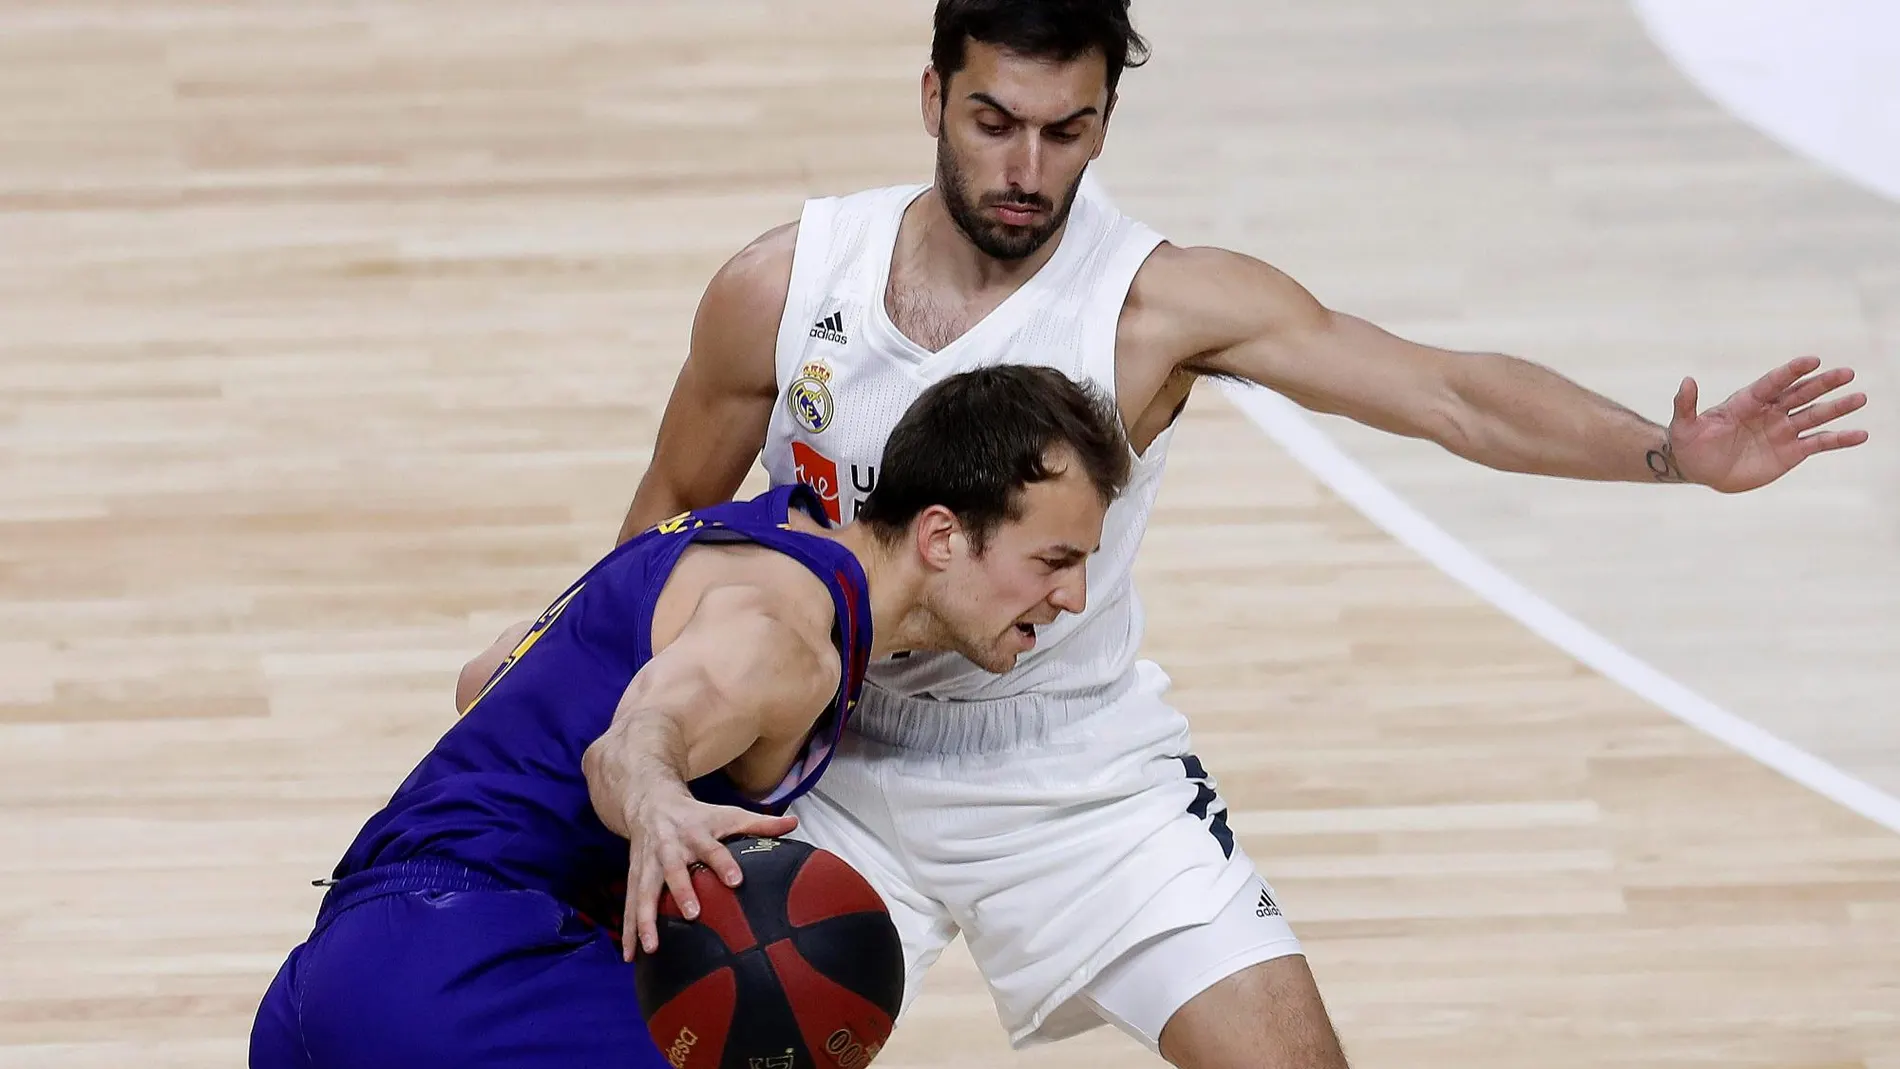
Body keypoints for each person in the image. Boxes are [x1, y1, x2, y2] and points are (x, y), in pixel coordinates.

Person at [614, 1, 1873, 1066]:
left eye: (1067, 132)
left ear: (1106, 120)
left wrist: (1668, 452)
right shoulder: (786, 286)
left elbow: (1445, 393)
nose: (1025, 171)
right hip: (816, 751)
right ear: (933, 94)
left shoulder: (1161, 302)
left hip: (1069, 767)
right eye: (994, 122)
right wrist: (604, 760)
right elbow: (651, 542)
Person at [248, 365, 1132, 1068]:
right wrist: (657, 796)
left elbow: (484, 680)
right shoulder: (789, 636)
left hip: (338, 976)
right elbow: (625, 745)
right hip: (465, 976)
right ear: (943, 537)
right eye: (1054, 558)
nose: (1075, 594)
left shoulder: (737, 537)